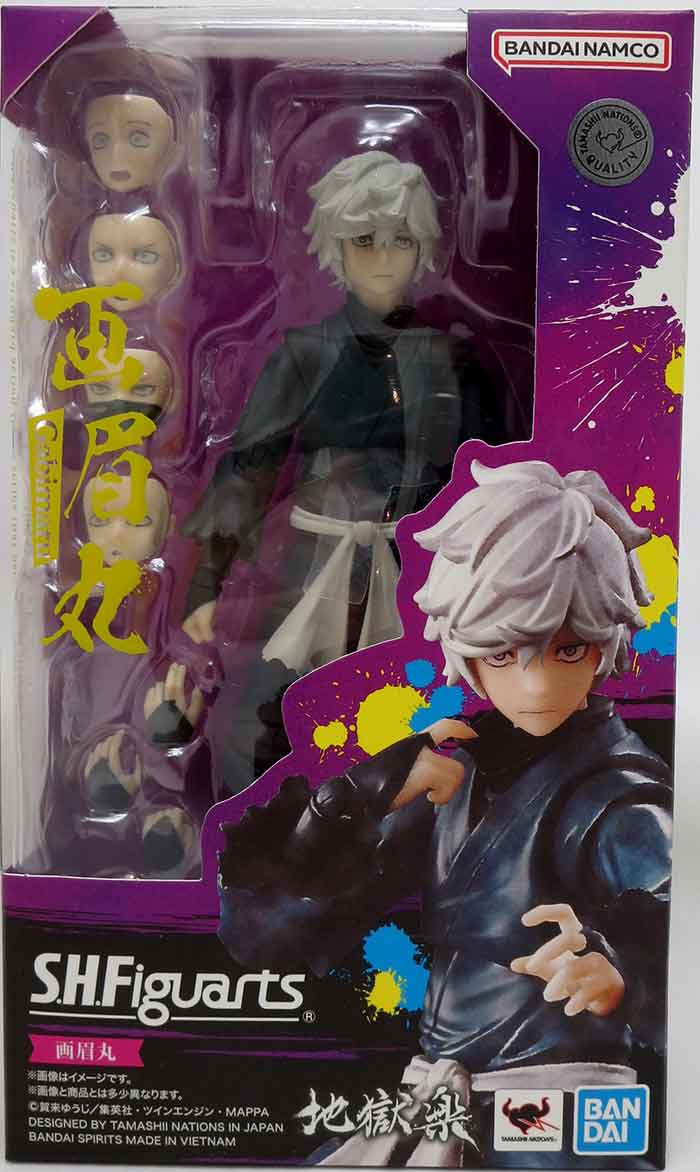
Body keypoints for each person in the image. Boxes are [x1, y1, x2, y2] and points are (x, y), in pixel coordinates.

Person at [217, 458, 672, 1168]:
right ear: (468, 643)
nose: (537, 683)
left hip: (561, 1129)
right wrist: (349, 800)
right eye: (506, 651)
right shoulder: (452, 769)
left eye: (568, 648)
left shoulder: (616, 795)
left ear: (604, 640)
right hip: (437, 1108)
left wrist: (627, 972)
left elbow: (680, 930)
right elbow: (265, 935)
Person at [168, 151, 524, 794]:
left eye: (400, 240)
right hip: (310, 562)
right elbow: (250, 466)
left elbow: (495, 484)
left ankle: (403, 819)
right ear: (336, 247)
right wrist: (206, 583)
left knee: (422, 709)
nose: (383, 258)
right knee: (273, 704)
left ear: (424, 248)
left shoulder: (455, 360)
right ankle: (263, 816)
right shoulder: (307, 354)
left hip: (420, 571)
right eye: (364, 241)